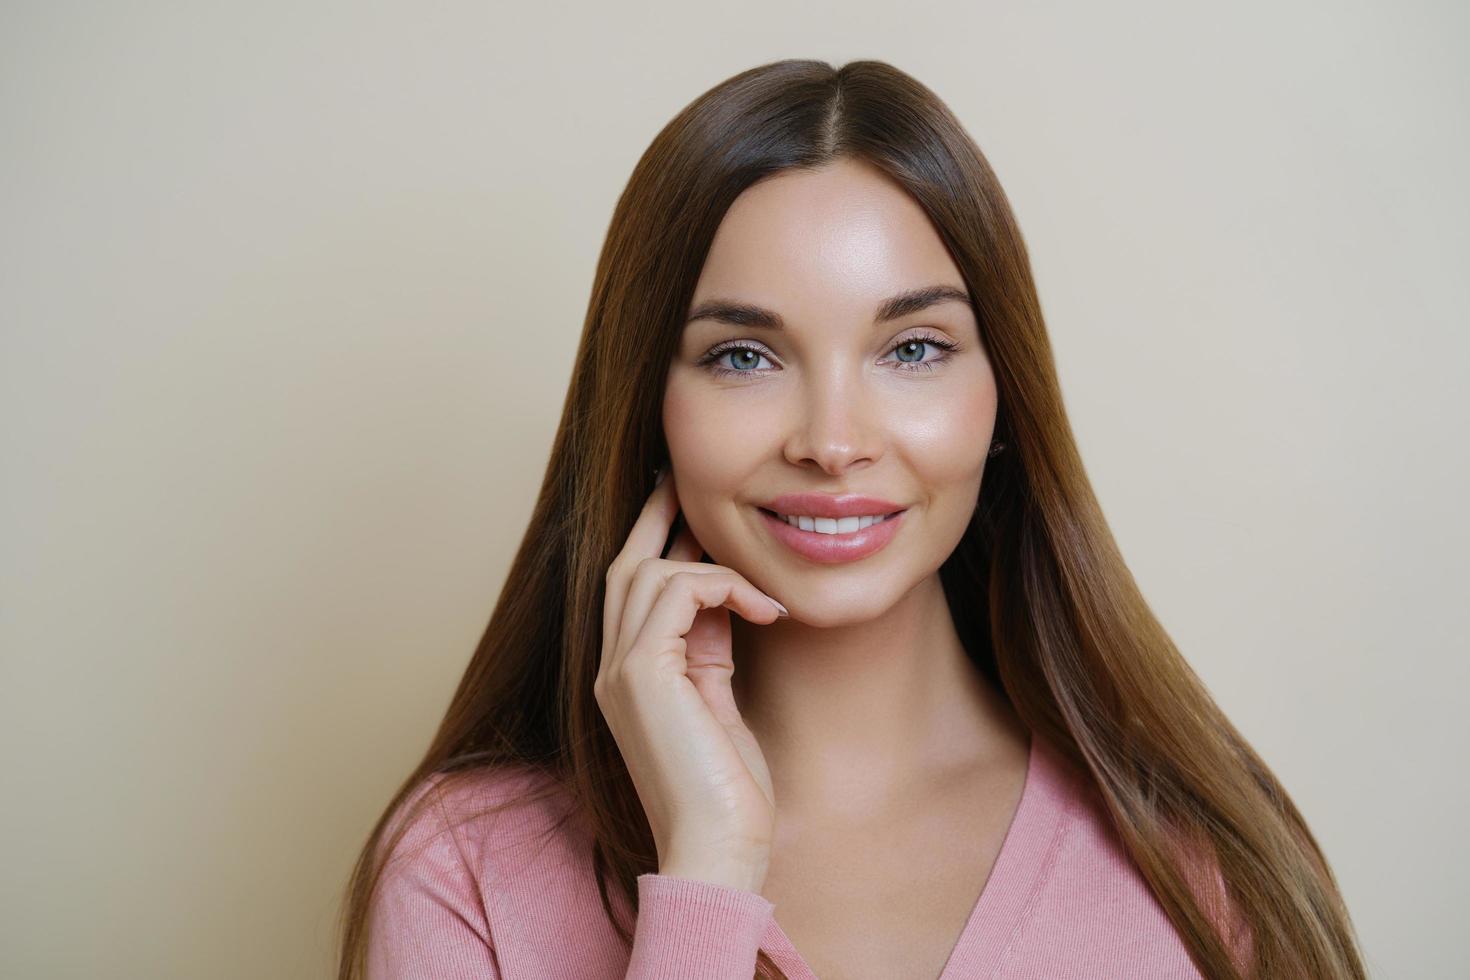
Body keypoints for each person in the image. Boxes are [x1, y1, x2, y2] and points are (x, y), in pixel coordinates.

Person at [336, 59, 1367, 980]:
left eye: (912, 348)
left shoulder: (1200, 861)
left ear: (1004, 398)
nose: (833, 440)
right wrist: (706, 871)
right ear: (651, 408)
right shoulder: (462, 871)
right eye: (744, 355)